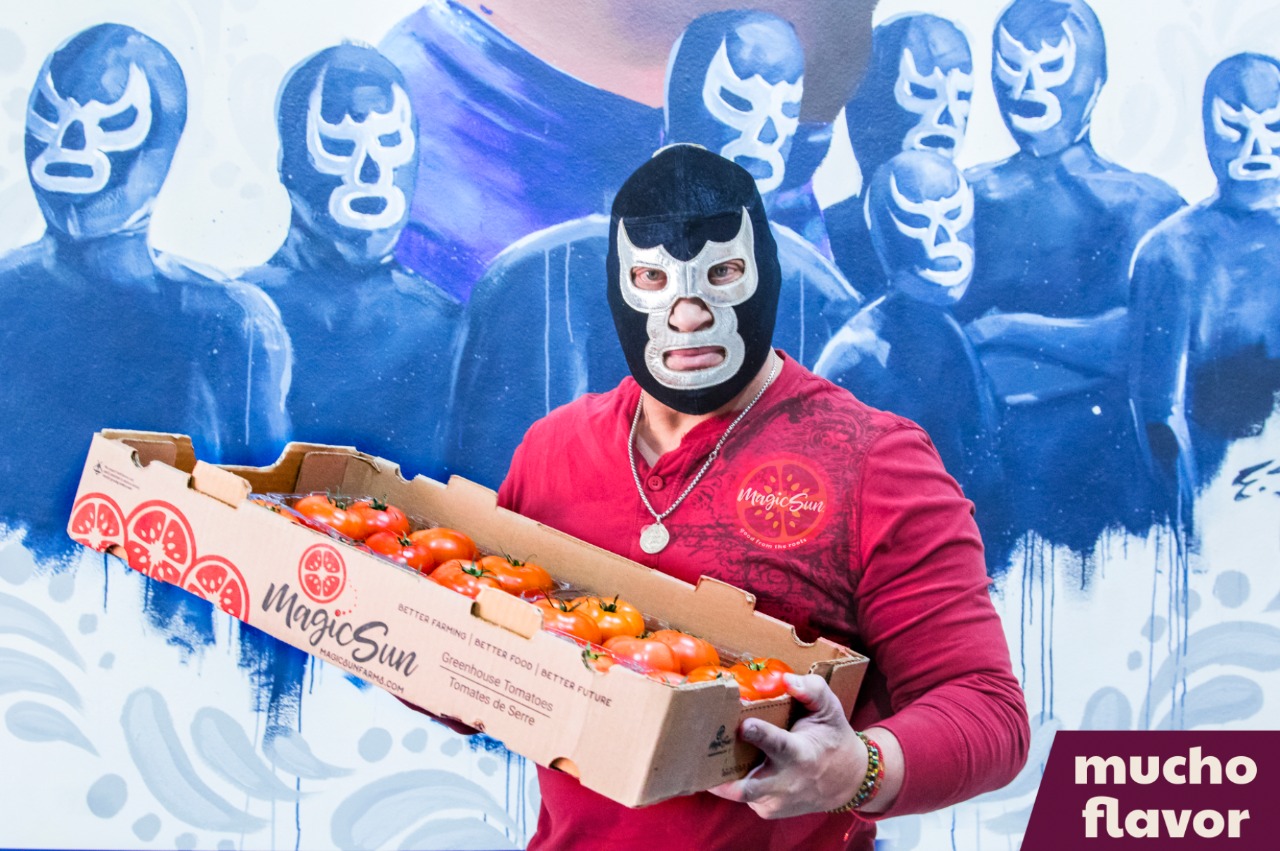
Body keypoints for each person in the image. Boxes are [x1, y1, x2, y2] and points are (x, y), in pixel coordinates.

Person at [493, 145, 1028, 849]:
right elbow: (484, 666)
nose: (688, 314)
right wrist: (399, 627)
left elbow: (987, 710)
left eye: (721, 273)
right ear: (620, 286)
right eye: (653, 278)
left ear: (766, 270)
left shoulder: (876, 461)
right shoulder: (552, 449)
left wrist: (857, 769)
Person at [447, 10, 857, 489]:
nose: (766, 133)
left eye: (786, 110)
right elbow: (499, 486)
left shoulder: (820, 296)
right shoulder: (542, 275)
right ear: (681, 106)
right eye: (738, 101)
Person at [0, 24, 290, 569]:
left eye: (112, 124)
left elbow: (261, 518)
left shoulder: (231, 324)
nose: (72, 147)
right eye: (53, 118)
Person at [958, 0, 1185, 550]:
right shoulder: (960, 199)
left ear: (1096, 78)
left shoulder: (1147, 206)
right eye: (1011, 66)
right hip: (986, 475)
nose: (1027, 86)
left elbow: (1145, 340)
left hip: (1106, 476)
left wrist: (1006, 329)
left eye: (1051, 66)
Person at [243, 44, 460, 479]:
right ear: (288, 163)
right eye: (338, 145)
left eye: (391, 142)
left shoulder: (447, 329)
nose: (370, 170)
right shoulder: (239, 316)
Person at [1129, 52, 1280, 520]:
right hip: (1222, 505)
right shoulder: (1172, 253)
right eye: (1235, 127)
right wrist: (1194, 514)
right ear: (1208, 130)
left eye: (1273, 127)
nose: (1256, 147)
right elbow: (1159, 410)